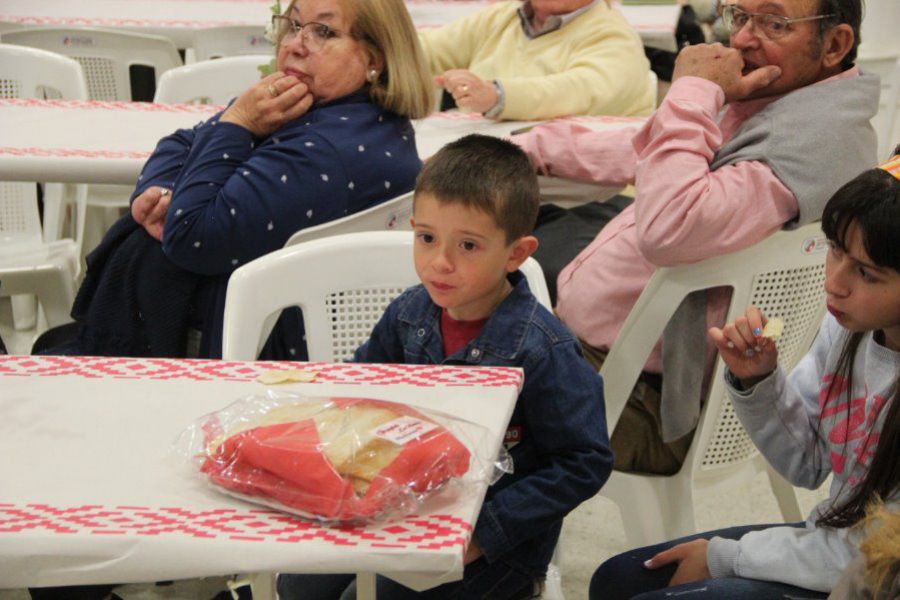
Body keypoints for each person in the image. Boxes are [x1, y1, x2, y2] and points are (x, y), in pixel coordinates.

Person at [514, 0, 879, 476]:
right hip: (612, 367)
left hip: (637, 400)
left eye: (774, 22)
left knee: (452, 350)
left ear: (834, 44)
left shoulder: (809, 147)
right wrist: (530, 147)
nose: (744, 39)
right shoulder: (793, 106)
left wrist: (693, 91)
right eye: (739, 16)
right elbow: (654, 152)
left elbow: (668, 227)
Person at [277, 134, 612, 599]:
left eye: (468, 246)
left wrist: (486, 532)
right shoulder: (409, 314)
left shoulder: (543, 349)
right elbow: (362, 384)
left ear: (516, 253)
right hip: (405, 504)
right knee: (298, 582)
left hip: (496, 548)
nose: (440, 262)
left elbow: (585, 461)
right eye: (427, 238)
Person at [38, 0, 434, 360]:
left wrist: (240, 121)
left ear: (375, 59)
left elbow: (192, 234)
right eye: (294, 26)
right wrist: (159, 191)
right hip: (231, 328)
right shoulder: (353, 117)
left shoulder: (320, 150)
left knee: (45, 352)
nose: (296, 44)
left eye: (324, 32)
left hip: (239, 359)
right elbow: (184, 141)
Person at [588, 155, 900, 599]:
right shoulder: (850, 330)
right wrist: (760, 382)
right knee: (615, 580)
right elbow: (807, 464)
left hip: (868, 576)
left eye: (866, 273)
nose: (835, 282)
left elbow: (871, 558)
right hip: (834, 541)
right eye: (835, 250)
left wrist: (727, 556)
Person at [418, 0, 655, 121]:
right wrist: (383, 51)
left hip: (584, 196)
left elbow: (577, 91)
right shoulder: (501, 16)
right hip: (490, 182)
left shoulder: (614, 36)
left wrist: (496, 96)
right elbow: (427, 50)